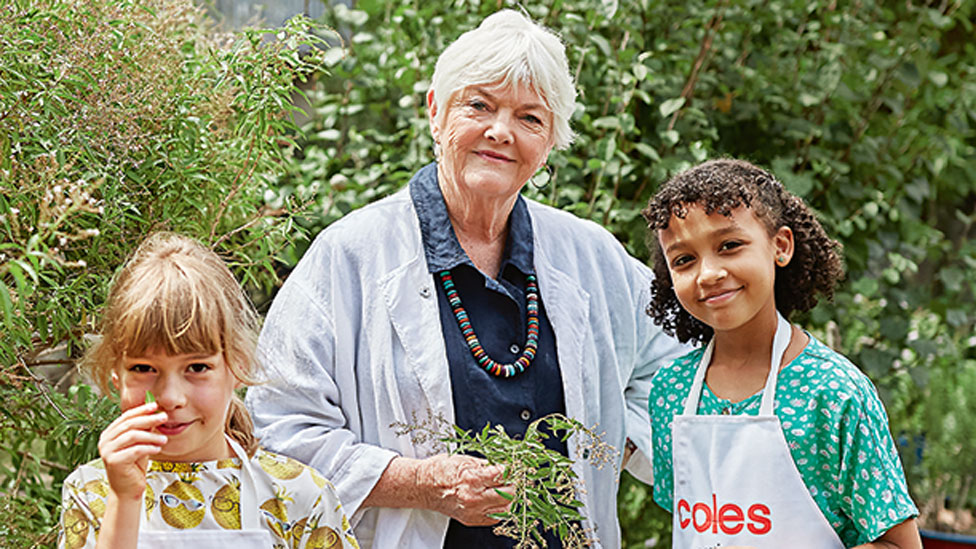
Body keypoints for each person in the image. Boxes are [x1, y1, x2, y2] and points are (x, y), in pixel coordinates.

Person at [244, 9, 686, 549]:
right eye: (479, 105)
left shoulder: (590, 256)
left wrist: (611, 439)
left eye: (530, 118)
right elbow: (277, 427)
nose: (501, 131)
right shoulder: (351, 254)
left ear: (549, 144)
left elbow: (682, 369)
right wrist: (423, 484)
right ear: (436, 111)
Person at [641, 158, 921, 548]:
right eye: (684, 260)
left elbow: (900, 544)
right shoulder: (670, 390)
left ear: (781, 246)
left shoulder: (835, 392)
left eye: (729, 245)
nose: (708, 273)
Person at [58, 233, 359, 549]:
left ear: (238, 367)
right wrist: (125, 499)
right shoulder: (92, 492)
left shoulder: (299, 496)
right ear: (115, 374)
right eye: (144, 369)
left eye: (197, 367)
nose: (171, 397)